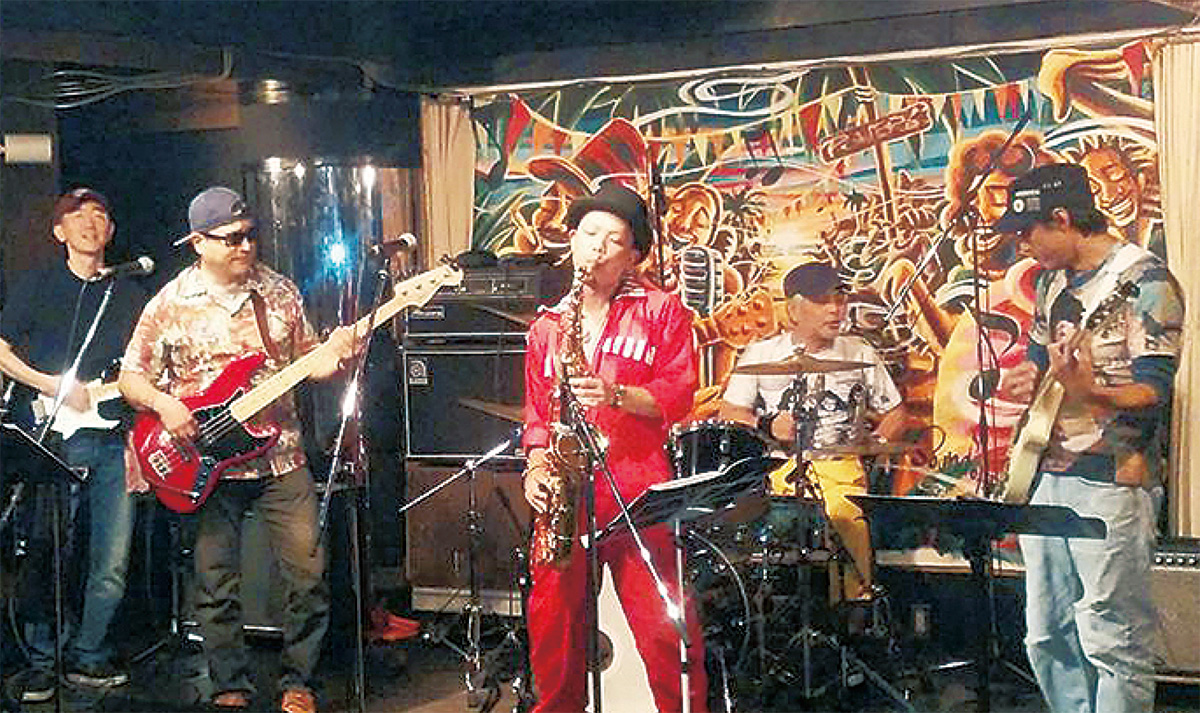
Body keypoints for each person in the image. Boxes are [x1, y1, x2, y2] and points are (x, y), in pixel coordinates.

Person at [118, 187, 359, 713]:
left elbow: (311, 363)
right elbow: (130, 379)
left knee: (309, 573)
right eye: (231, 238)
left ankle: (299, 682)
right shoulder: (170, 303)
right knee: (214, 582)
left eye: (250, 235)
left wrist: (338, 355)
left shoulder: (280, 292)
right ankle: (229, 683)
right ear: (198, 242)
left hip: (281, 456)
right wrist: (165, 404)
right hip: (205, 463)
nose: (245, 246)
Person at [995, 163, 1183, 713]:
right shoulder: (1051, 281)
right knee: (1045, 632)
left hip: (1110, 478)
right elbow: (1041, 351)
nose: (1022, 246)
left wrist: (1090, 392)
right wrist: (1029, 372)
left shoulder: (1147, 282)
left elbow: (1154, 390)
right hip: (1044, 472)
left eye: (1027, 232)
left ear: (1062, 218)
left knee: (1112, 635)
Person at [521, 181, 708, 712]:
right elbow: (536, 415)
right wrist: (536, 468)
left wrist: (616, 394)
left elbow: (680, 394)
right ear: (572, 241)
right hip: (567, 494)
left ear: (634, 255)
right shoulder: (547, 325)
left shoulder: (662, 310)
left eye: (614, 239)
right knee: (554, 630)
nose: (597, 248)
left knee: (666, 629)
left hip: (637, 488)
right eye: (589, 234)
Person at [0, 188, 145, 701]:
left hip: (111, 437)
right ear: (58, 231)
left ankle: (88, 651)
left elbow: (145, 366)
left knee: (111, 558)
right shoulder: (37, 284)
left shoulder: (127, 292)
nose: (89, 222)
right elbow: (1, 350)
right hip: (52, 439)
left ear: (111, 230)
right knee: (48, 550)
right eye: (76, 215)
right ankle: (43, 659)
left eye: (100, 214)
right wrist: (50, 384)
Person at [718, 261, 906, 606]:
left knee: (847, 517)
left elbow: (896, 413)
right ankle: (769, 610)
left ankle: (854, 609)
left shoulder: (859, 352)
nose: (835, 310)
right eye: (822, 301)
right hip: (780, 470)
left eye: (840, 299)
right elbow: (729, 412)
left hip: (841, 467)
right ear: (793, 309)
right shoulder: (762, 354)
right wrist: (767, 425)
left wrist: (876, 443)